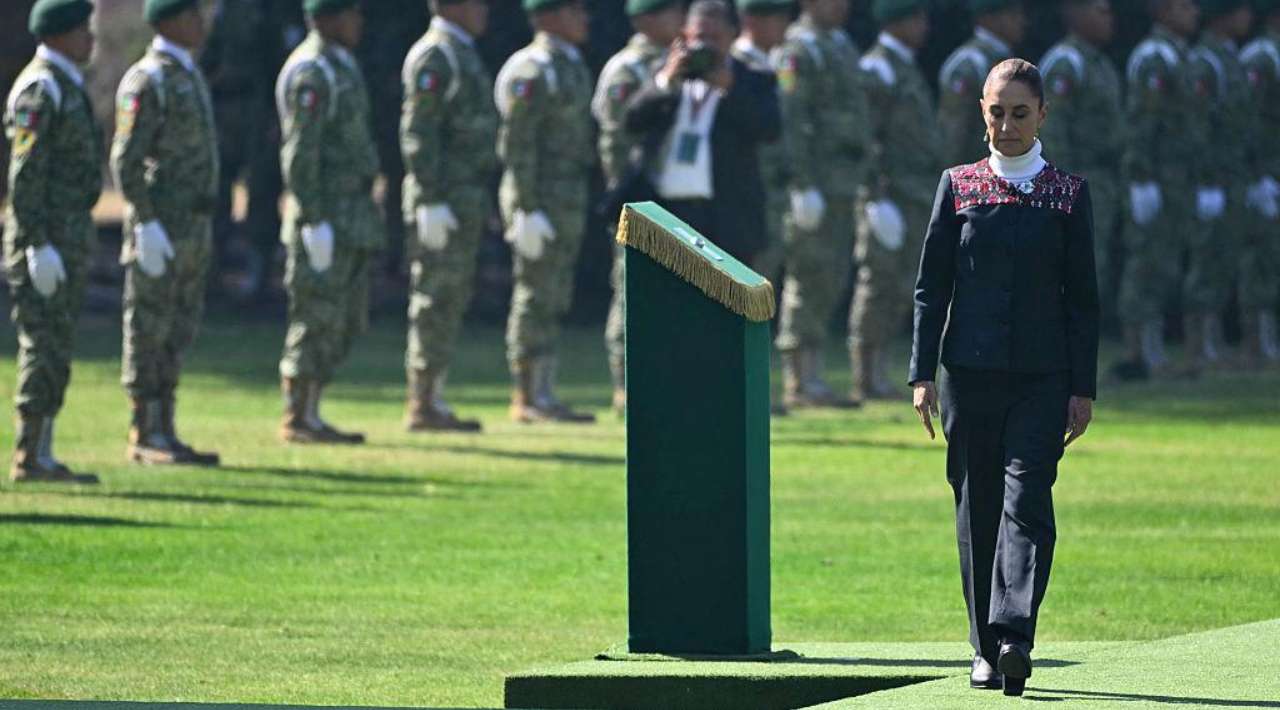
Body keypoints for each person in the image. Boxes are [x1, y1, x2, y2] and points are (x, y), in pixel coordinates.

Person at [909, 59, 1099, 697]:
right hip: (969, 375)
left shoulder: (1068, 194)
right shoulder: (958, 186)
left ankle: (1015, 632)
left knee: (1027, 501)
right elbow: (931, 289)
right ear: (981, 112)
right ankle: (985, 650)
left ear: (1042, 114)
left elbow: (1083, 301)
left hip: (1044, 379)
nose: (1007, 125)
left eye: (1020, 112)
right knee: (977, 505)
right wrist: (921, 374)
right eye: (997, 111)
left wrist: (1083, 387)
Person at [111, 0, 220, 466]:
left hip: (191, 226)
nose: (201, 23)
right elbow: (126, 158)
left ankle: (165, 427)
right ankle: (144, 428)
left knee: (178, 326)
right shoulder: (149, 78)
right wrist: (145, 220)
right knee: (149, 326)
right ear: (171, 20)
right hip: (161, 226)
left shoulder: (187, 72)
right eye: (192, 14)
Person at [275, 0, 383, 444]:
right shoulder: (312, 71)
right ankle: (297, 415)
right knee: (315, 313)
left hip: (350, 214)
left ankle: (313, 410)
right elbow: (301, 152)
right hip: (323, 216)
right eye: (350, 13)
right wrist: (313, 219)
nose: (358, 21)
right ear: (327, 18)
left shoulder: (340, 65)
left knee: (342, 317)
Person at [3, 0, 101, 484]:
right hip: (43, 243)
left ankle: (43, 450)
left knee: (56, 346)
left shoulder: (65, 83)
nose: (91, 37)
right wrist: (36, 243)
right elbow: (26, 175)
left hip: (64, 239)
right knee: (42, 345)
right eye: (83, 29)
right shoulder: (41, 89)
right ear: (59, 33)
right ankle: (29, 455)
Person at [496, 0, 596, 424]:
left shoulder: (569, 65)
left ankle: (545, 389)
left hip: (564, 199)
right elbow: (518, 146)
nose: (584, 18)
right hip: (539, 202)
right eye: (575, 10)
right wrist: (526, 208)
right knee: (533, 296)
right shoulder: (532, 70)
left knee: (553, 296)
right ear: (549, 15)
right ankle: (526, 394)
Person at [400, 0, 498, 433]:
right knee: (434, 297)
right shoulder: (435, 54)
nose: (485, 10)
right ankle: (422, 402)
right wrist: (430, 198)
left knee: (449, 298)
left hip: (462, 198)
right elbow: (420, 131)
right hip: (442, 201)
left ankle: (432, 396)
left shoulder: (460, 51)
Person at [624, 0, 782, 267]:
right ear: (684, 35)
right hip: (669, 212)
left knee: (724, 304)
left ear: (733, 35)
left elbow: (769, 129)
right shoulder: (668, 70)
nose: (705, 46)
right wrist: (665, 82)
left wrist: (731, 89)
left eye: (714, 38)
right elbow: (632, 121)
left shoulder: (753, 78)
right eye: (699, 37)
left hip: (726, 214)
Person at [770, 0, 868, 410]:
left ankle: (815, 375)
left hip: (842, 181)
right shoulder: (795, 50)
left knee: (830, 275)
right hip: (815, 182)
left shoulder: (840, 45)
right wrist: (802, 182)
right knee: (807, 275)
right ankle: (799, 376)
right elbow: (791, 117)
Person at [595, 0, 684, 416]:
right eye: (671, 11)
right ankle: (624, 385)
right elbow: (617, 139)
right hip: (639, 196)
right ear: (647, 18)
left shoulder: (676, 63)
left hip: (675, 195)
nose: (680, 19)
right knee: (630, 292)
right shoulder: (627, 69)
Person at [848, 0, 940, 403]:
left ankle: (880, 368)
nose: (924, 25)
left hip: (913, 193)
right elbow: (868, 137)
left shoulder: (903, 66)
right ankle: (864, 373)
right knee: (878, 282)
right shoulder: (878, 67)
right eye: (916, 17)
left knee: (902, 283)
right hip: (888, 194)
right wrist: (874, 196)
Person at [1115, 0, 1201, 379]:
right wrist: (1141, 177)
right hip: (1156, 176)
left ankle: (1155, 353)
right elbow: (1142, 123)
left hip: (1177, 177)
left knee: (1165, 264)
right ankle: (1140, 353)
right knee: (1146, 263)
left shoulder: (1179, 55)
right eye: (1185, 5)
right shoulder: (1155, 56)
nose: (1195, 12)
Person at [1039, 0, 1123, 331]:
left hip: (1101, 178)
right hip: (1074, 179)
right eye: (1100, 11)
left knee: (1090, 267)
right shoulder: (1066, 62)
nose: (1109, 18)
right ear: (1075, 14)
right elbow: (1053, 132)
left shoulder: (1098, 62)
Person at [1185, 0, 1254, 370]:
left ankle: (1216, 341)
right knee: (1206, 259)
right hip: (1211, 177)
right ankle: (1200, 342)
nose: (1248, 16)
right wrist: (1207, 181)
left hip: (1232, 174)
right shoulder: (1206, 61)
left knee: (1224, 256)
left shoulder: (1230, 58)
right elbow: (1200, 127)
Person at [731, 0, 793, 290]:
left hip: (774, 192)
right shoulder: (736, 66)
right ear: (752, 21)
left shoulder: (773, 62)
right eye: (776, 16)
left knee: (765, 284)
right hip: (748, 194)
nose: (784, 24)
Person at [938, 0, 1025, 169]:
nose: (1021, 21)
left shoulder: (1004, 58)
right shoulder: (970, 64)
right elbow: (953, 135)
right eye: (1012, 14)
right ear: (989, 19)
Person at [1240, 0, 1280, 366]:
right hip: (1264, 170)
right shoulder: (1261, 56)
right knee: (1261, 258)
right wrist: (1255, 174)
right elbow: (1249, 119)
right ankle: (1257, 341)